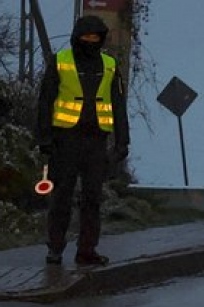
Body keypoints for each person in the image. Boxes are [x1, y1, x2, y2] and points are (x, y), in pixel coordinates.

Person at [36, 15, 130, 267]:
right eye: (86, 37)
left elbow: (119, 105)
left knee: (92, 198)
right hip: (65, 139)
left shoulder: (110, 65)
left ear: (101, 39)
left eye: (95, 37)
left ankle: (87, 250)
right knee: (61, 197)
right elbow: (45, 100)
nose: (90, 41)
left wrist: (123, 142)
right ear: (77, 37)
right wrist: (43, 137)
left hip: (97, 141)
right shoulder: (60, 61)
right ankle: (55, 248)